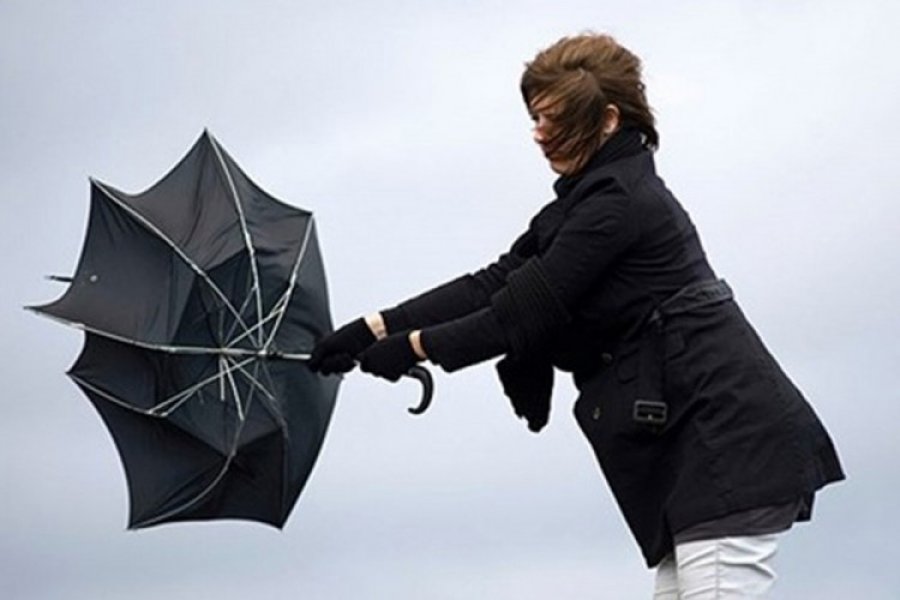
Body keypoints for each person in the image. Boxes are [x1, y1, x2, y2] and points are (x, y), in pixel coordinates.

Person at [309, 33, 844, 598]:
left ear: (608, 118)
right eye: (535, 117)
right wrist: (373, 328)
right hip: (696, 461)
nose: (538, 133)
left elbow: (516, 313)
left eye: (553, 118)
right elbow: (491, 283)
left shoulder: (620, 205)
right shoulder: (583, 203)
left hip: (727, 447)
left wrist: (412, 347)